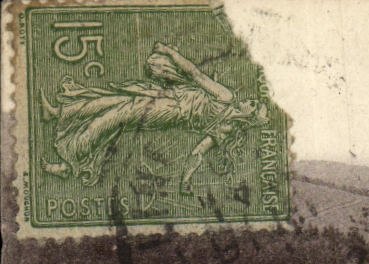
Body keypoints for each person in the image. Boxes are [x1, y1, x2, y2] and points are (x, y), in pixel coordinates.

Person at [38, 41, 267, 191]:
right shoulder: (227, 101)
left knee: (114, 117)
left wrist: (185, 180)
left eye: (254, 107)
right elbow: (195, 76)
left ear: (250, 118)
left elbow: (197, 152)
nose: (251, 101)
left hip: (170, 111)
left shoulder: (226, 119)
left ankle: (69, 162)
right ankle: (59, 113)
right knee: (116, 98)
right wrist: (169, 54)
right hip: (171, 94)